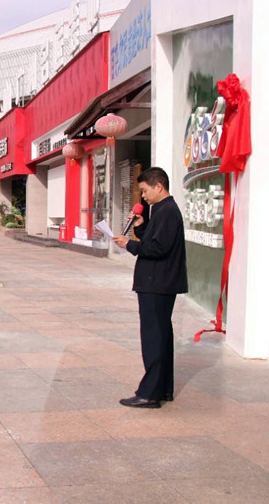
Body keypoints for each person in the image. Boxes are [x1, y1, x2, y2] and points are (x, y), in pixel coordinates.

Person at [113, 167, 188, 409]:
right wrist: (141, 226)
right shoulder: (163, 210)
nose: (143, 196)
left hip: (157, 284)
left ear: (159, 186)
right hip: (158, 283)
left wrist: (130, 244)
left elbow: (158, 249)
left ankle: (150, 394)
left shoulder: (167, 211)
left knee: (154, 338)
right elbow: (155, 241)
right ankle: (162, 389)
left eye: (145, 191)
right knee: (161, 337)